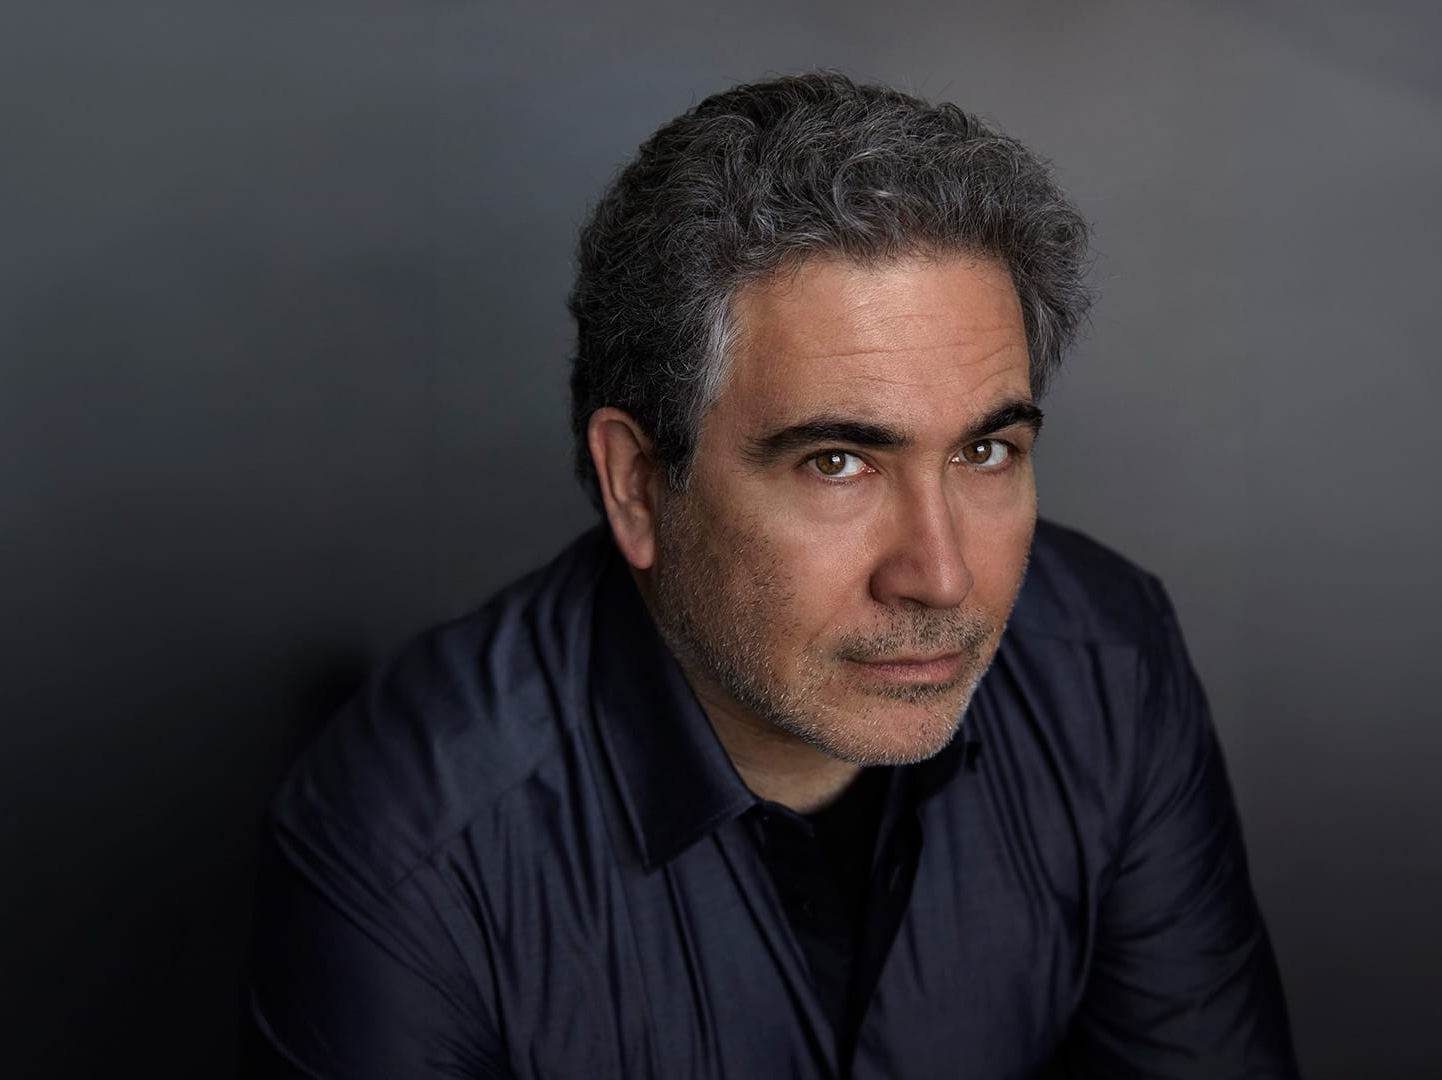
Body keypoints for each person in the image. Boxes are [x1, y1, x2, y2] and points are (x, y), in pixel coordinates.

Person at [244, 71, 1297, 1078]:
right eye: (837, 463)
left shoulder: (1108, 666)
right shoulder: (413, 844)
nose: (940, 576)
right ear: (639, 486)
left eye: (986, 453)